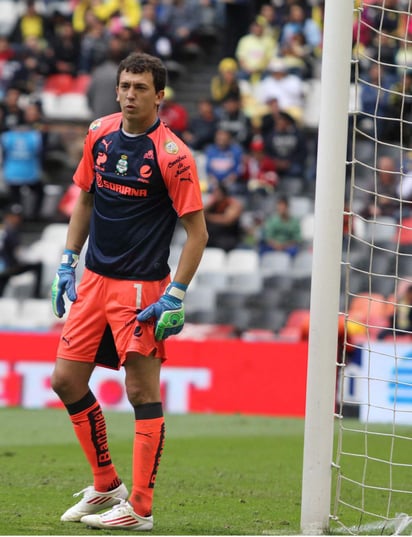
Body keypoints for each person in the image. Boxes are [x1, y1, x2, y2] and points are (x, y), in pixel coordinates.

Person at [49, 52, 208, 531]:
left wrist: (176, 294)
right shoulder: (98, 134)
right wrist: (67, 259)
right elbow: (86, 197)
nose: (130, 95)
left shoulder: (173, 156)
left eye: (140, 87)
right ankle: (106, 484)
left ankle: (140, 508)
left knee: (140, 389)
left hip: (141, 289)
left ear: (160, 95)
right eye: (125, 86)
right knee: (65, 381)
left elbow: (197, 234)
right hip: (93, 281)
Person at [0, 204, 43, 298]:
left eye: (18, 216)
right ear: (8, 216)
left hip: (4, 267)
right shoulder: (10, 231)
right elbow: (17, 253)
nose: (17, 219)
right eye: (14, 216)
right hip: (7, 267)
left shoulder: (3, 228)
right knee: (38, 265)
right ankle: (36, 295)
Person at [204, 183, 243, 251]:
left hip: (228, 238)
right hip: (212, 237)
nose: (214, 195)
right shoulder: (213, 204)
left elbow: (227, 220)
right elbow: (201, 214)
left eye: (217, 193)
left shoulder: (233, 204)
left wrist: (208, 217)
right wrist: (211, 203)